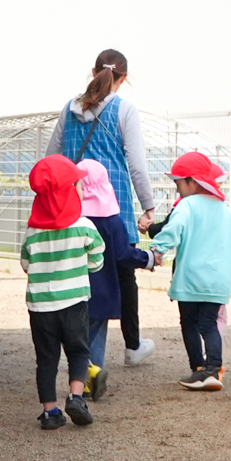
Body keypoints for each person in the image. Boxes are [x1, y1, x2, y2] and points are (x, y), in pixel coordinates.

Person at [45, 50, 158, 372]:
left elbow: (51, 157)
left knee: (76, 282)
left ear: (92, 72)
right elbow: (136, 164)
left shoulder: (69, 109)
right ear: (122, 79)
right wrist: (148, 206)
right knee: (120, 278)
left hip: (71, 209)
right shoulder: (125, 110)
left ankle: (81, 361)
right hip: (114, 209)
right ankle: (131, 346)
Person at [19, 155, 104, 429]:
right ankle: (76, 397)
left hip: (40, 306)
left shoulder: (33, 229)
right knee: (79, 352)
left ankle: (50, 412)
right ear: (70, 189)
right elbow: (97, 260)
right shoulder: (84, 225)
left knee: (46, 359)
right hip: (73, 303)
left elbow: (25, 263)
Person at [145, 151, 231, 391]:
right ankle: (213, 368)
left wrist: (157, 250)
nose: (177, 189)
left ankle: (199, 368)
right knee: (209, 324)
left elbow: (173, 230)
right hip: (218, 281)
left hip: (191, 280)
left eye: (178, 183)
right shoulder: (224, 209)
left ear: (192, 181)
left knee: (189, 323)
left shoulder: (187, 205)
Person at [75, 159, 150, 400]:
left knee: (76, 335)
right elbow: (123, 254)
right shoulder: (112, 221)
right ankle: (92, 376)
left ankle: (80, 377)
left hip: (74, 289)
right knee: (96, 333)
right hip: (103, 290)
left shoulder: (73, 220)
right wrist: (147, 258)